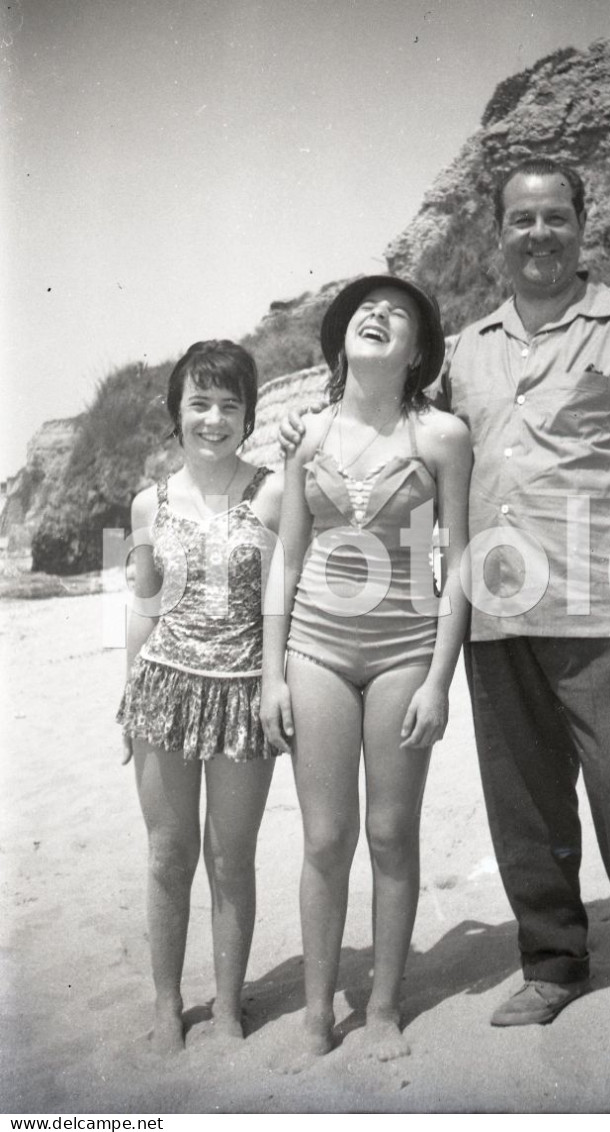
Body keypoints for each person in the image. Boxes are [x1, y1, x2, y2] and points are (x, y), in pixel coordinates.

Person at [280, 161, 610, 1068]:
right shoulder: (469, 349)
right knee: (522, 802)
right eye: (521, 219)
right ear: (498, 234)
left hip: (608, 595)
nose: (539, 233)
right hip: (495, 606)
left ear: (580, 225)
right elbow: (395, 436)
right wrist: (306, 438)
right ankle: (554, 960)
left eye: (554, 217)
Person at [262, 275, 472, 1065]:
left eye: (400, 315)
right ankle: (317, 1013)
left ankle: (382, 1006)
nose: (379, 316)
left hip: (404, 653)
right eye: (364, 310)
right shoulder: (306, 437)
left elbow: (456, 566)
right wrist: (270, 675)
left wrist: (437, 680)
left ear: (417, 352)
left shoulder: (440, 437)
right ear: (338, 339)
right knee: (324, 838)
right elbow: (285, 559)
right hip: (313, 647)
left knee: (390, 833)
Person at [117, 339, 283, 1054]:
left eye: (229, 404)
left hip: (244, 692)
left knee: (229, 857)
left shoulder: (274, 490)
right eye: (199, 404)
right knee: (167, 854)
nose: (213, 418)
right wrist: (128, 695)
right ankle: (163, 1005)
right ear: (175, 413)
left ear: (247, 415)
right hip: (163, 689)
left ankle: (224, 1007)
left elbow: (286, 596)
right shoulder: (145, 502)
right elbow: (141, 605)